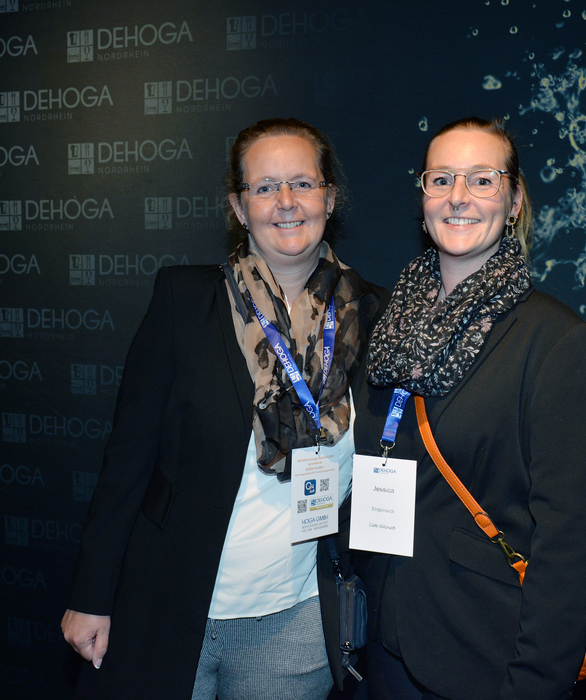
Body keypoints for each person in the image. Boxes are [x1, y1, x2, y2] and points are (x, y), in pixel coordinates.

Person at [61, 117, 385, 700]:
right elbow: (126, 461)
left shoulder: (373, 315)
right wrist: (91, 594)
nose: (286, 202)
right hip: (168, 603)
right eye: (264, 187)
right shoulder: (185, 302)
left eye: (303, 184)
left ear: (330, 197)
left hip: (295, 621)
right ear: (239, 207)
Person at [352, 117, 586, 700]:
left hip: (485, 657)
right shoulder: (388, 328)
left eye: (482, 179)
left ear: (514, 202)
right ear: (423, 198)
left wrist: (534, 685)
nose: (458, 196)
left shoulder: (554, 340)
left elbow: (570, 545)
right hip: (385, 646)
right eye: (441, 178)